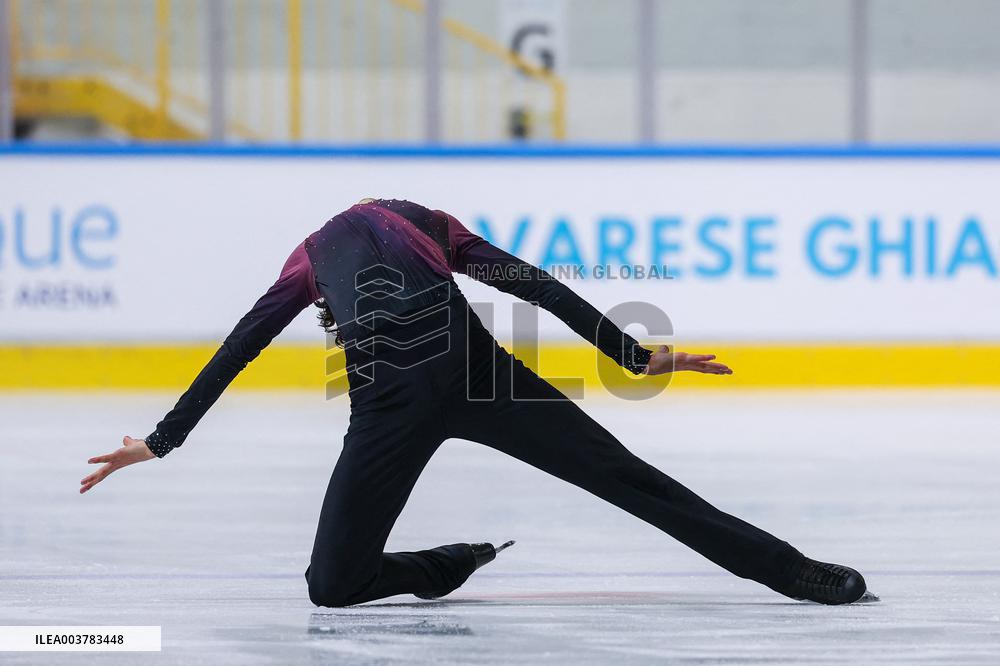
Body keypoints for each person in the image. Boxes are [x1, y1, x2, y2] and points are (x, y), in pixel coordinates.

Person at [80, 198, 871, 606]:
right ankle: (449, 565)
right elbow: (534, 283)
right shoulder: (419, 225)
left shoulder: (312, 257)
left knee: (627, 480)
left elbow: (241, 343)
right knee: (332, 585)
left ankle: (788, 569)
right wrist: (630, 355)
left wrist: (164, 438)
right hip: (409, 401)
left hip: (468, 382)